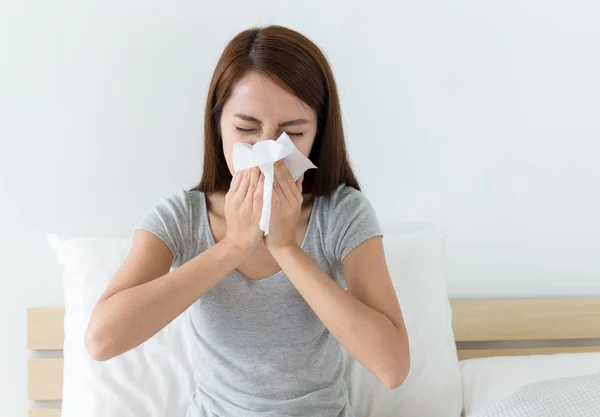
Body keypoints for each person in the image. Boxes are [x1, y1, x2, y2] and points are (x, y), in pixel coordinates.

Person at [85, 25, 409, 417]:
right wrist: (234, 246)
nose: (268, 151)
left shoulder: (342, 213)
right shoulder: (182, 218)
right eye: (246, 129)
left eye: (292, 132)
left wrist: (286, 247)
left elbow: (392, 368)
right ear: (217, 123)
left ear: (318, 134)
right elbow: (101, 340)